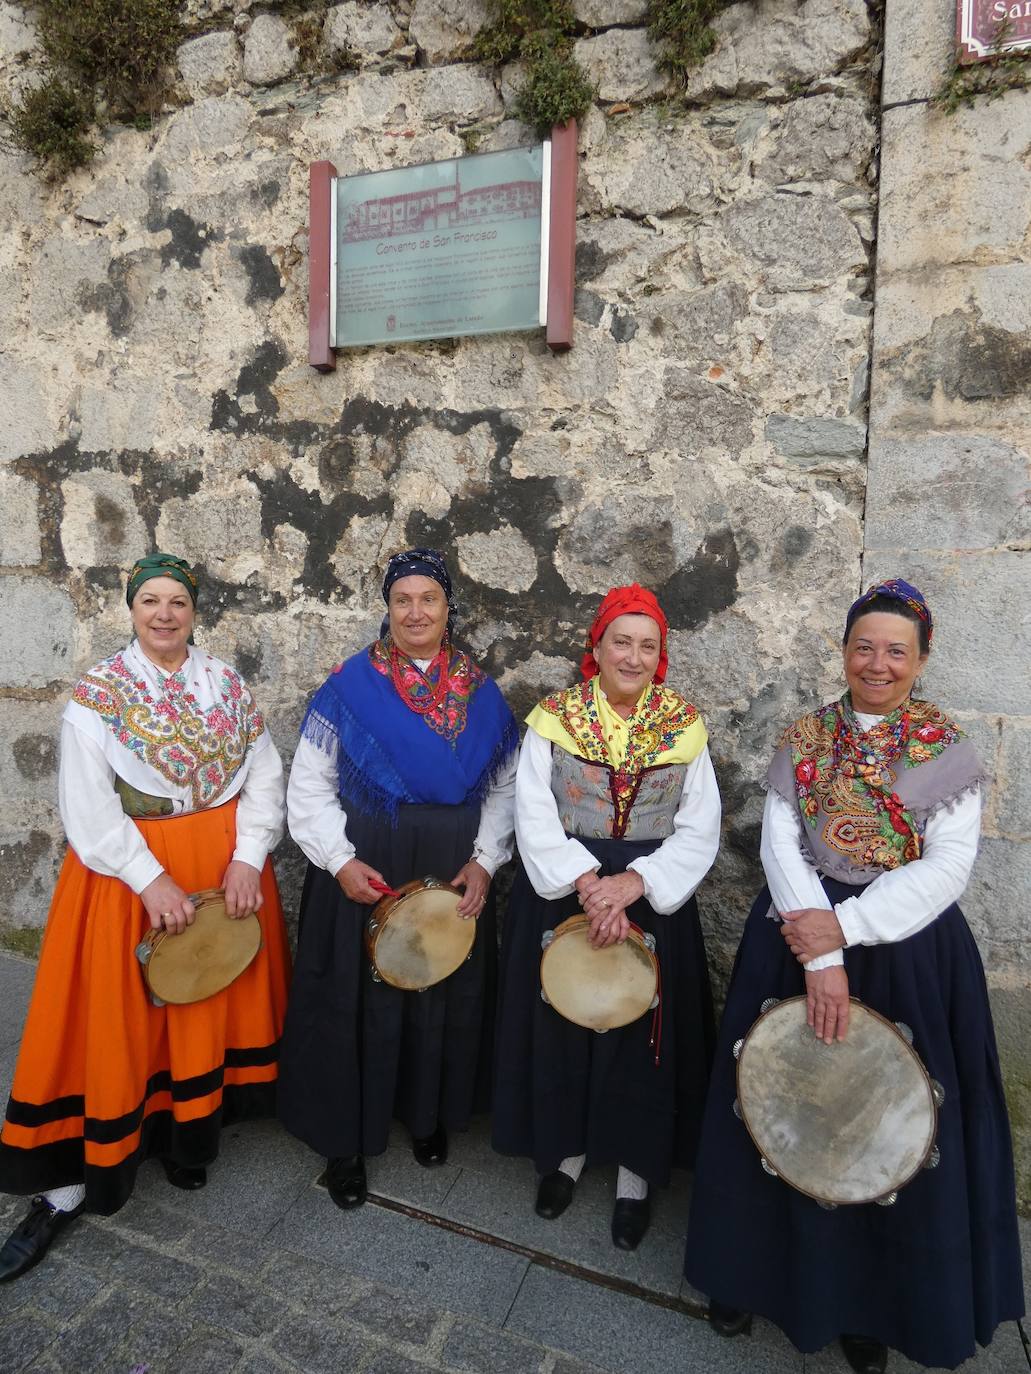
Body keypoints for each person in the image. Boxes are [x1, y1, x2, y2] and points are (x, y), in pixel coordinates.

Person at [684, 579, 1024, 1373]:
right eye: (863, 646)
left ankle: (870, 1302)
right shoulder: (804, 739)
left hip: (904, 950)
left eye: (894, 651)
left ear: (920, 660)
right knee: (774, 1100)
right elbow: (779, 846)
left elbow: (947, 866)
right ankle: (746, 1273)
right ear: (842, 651)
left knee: (885, 1119)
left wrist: (850, 926)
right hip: (797, 937)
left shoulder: (944, 751)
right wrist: (823, 954)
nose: (877, 663)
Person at [0, 552, 291, 1282]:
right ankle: (78, 1171)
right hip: (126, 878)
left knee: (198, 1007)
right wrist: (148, 878)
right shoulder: (99, 695)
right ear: (130, 609)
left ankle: (185, 1139)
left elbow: (263, 772)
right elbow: (87, 804)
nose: (164, 614)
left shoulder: (224, 683)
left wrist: (250, 856)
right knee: (122, 1013)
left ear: (195, 611)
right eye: (150, 601)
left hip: (218, 867)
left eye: (178, 603)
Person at [278, 548, 518, 1208]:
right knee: (355, 1002)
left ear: (447, 609)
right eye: (402, 600)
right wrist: (338, 861)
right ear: (387, 609)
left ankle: (426, 1115)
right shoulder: (348, 689)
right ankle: (344, 1141)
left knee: (435, 992)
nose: (415, 611)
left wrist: (484, 861)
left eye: (428, 599)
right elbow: (310, 789)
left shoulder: (481, 693)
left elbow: (505, 787)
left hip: (451, 871)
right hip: (365, 872)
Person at [492, 584, 721, 1251]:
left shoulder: (683, 725)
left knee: (640, 1033)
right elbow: (531, 812)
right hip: (566, 885)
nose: (633, 655)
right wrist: (586, 882)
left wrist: (634, 883)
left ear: (660, 656)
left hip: (648, 895)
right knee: (564, 1022)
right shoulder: (552, 719)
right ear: (595, 647)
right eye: (620, 641)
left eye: (646, 645)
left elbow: (700, 825)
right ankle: (561, 1155)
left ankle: (633, 1175)